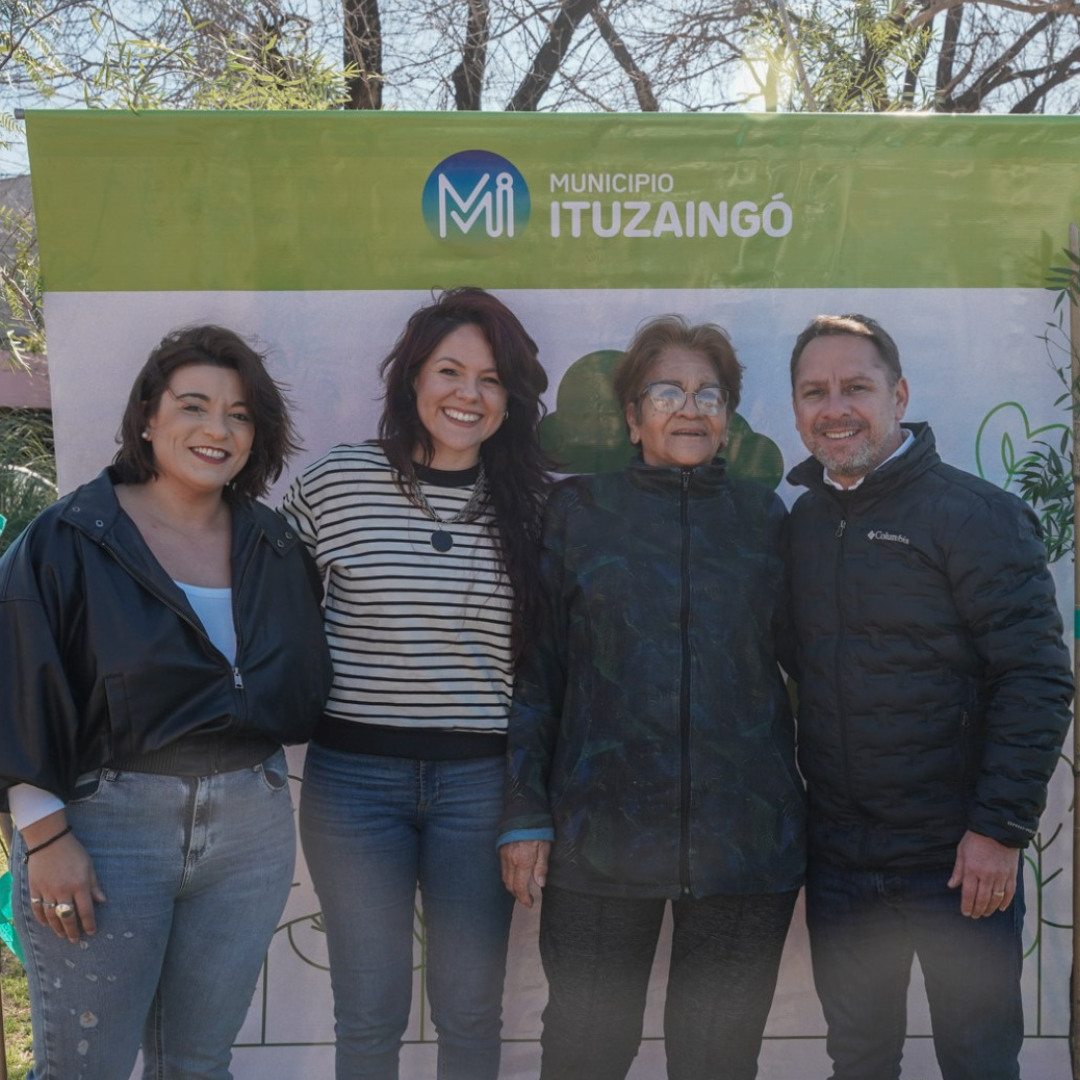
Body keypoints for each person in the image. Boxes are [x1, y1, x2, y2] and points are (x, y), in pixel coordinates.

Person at [0, 325, 333, 1080]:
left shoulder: (273, 544)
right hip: (105, 829)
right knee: (85, 1069)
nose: (218, 429)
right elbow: (17, 685)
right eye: (194, 406)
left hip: (249, 831)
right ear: (147, 417)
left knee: (198, 1065)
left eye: (240, 414)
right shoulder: (69, 538)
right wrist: (45, 839)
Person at [499, 315, 806, 1080]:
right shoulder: (578, 514)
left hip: (744, 843)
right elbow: (538, 672)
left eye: (710, 394)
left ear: (728, 417)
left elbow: (812, 665)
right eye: (667, 392)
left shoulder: (764, 518)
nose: (690, 408)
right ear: (633, 418)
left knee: (716, 1060)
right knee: (585, 1054)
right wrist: (526, 808)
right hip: (600, 837)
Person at [786, 313, 1074, 1080]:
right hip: (841, 860)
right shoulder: (804, 523)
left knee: (978, 1062)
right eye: (815, 391)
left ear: (900, 395)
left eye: (856, 386)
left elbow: (1036, 676)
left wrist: (999, 829)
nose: (835, 408)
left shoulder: (975, 515)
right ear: (797, 408)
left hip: (957, 860)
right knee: (859, 1060)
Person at [281, 286, 551, 1080]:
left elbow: (548, 670)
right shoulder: (337, 482)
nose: (469, 394)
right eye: (450, 371)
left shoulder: (535, 508)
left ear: (512, 397)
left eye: (491, 379)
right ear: (412, 379)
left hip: (480, 786)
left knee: (469, 1010)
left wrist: (531, 800)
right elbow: (274, 622)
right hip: (353, 786)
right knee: (369, 1012)